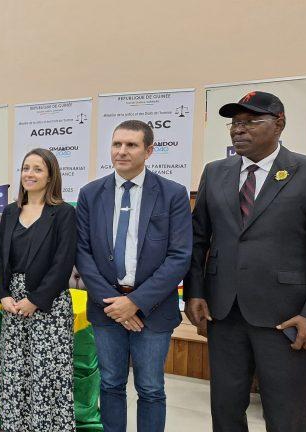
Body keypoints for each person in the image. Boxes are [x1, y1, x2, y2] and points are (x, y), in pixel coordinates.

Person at [184, 91, 306, 432]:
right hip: (224, 314)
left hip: (286, 318)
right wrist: (194, 293)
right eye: (235, 124)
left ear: (280, 123)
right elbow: (198, 239)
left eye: (251, 122)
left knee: (286, 415)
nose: (239, 131)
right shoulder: (215, 173)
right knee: (225, 410)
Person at [75, 120, 192, 432]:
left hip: (153, 311)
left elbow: (179, 256)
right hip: (107, 310)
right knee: (111, 384)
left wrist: (136, 303)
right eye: (117, 144)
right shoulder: (90, 194)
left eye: (131, 145)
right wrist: (117, 305)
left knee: (151, 389)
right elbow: (83, 254)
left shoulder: (172, 194)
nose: (121, 151)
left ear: (149, 151)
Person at [0, 148, 77, 431]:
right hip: (12, 305)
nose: (29, 174)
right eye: (25, 168)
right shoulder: (9, 211)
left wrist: (36, 300)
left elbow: (63, 262)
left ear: (51, 175)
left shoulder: (63, 213)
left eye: (38, 169)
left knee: (45, 374)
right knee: (15, 373)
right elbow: (0, 257)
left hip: (48, 304)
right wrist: (3, 293)